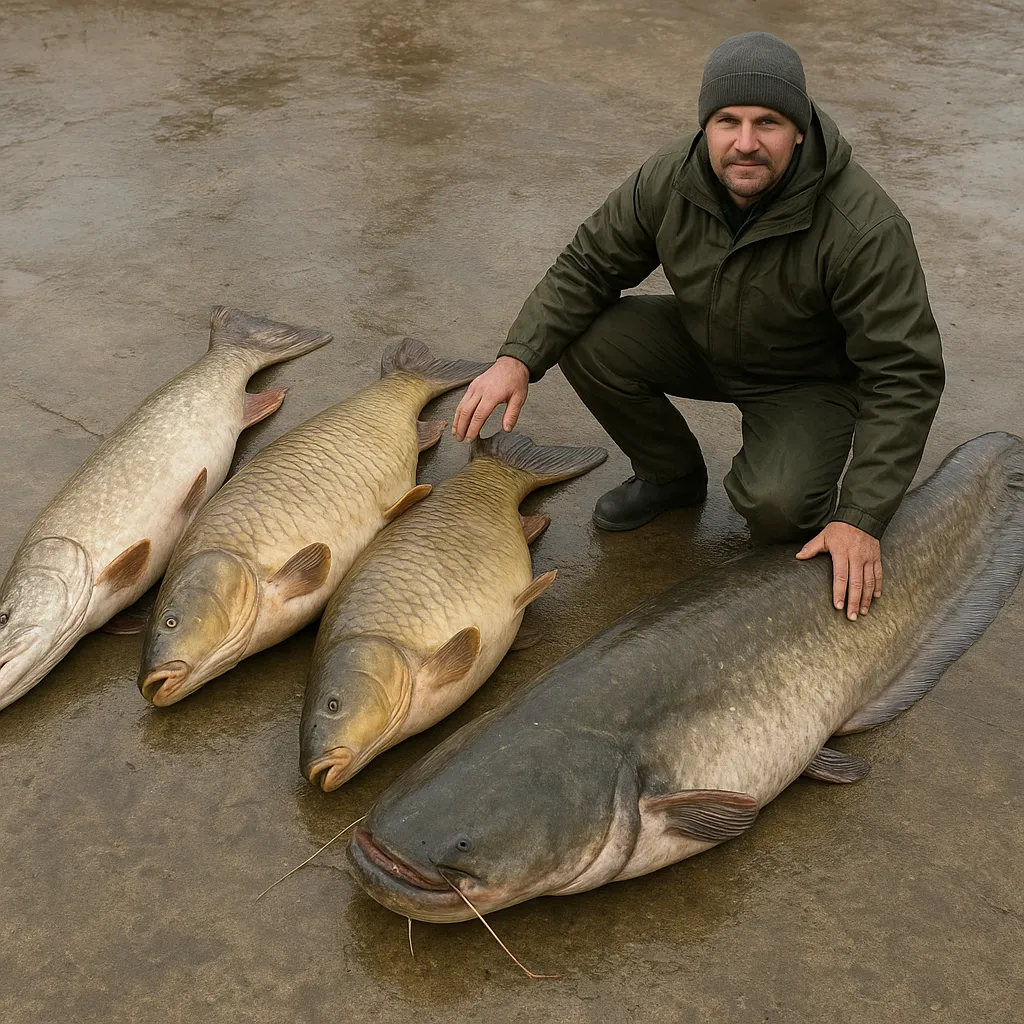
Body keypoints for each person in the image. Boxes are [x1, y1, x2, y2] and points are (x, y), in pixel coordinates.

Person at [451, 31, 944, 622]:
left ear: (801, 128)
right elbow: (588, 265)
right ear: (705, 126)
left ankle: (798, 483)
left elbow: (904, 374)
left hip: (805, 379)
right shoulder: (669, 177)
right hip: (705, 339)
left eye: (768, 122)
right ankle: (671, 477)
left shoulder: (864, 226)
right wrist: (517, 357)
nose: (745, 143)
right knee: (587, 336)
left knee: (777, 511)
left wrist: (861, 517)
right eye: (727, 121)